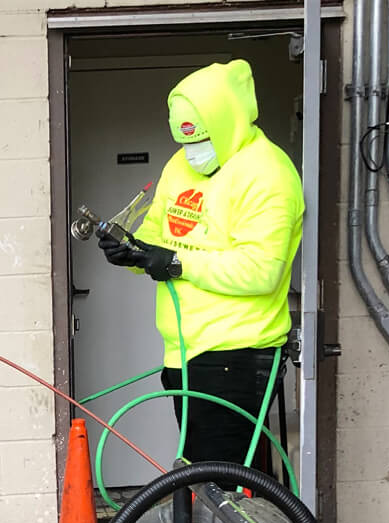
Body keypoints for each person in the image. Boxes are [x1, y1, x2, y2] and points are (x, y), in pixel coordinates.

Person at [99, 59, 304, 469]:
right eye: (185, 141)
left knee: (215, 489)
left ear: (229, 122)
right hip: (182, 354)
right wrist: (134, 252)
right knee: (203, 478)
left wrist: (175, 263)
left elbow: (262, 271)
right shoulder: (181, 165)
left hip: (237, 355)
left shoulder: (267, 174)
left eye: (201, 140)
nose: (193, 152)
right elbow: (160, 234)